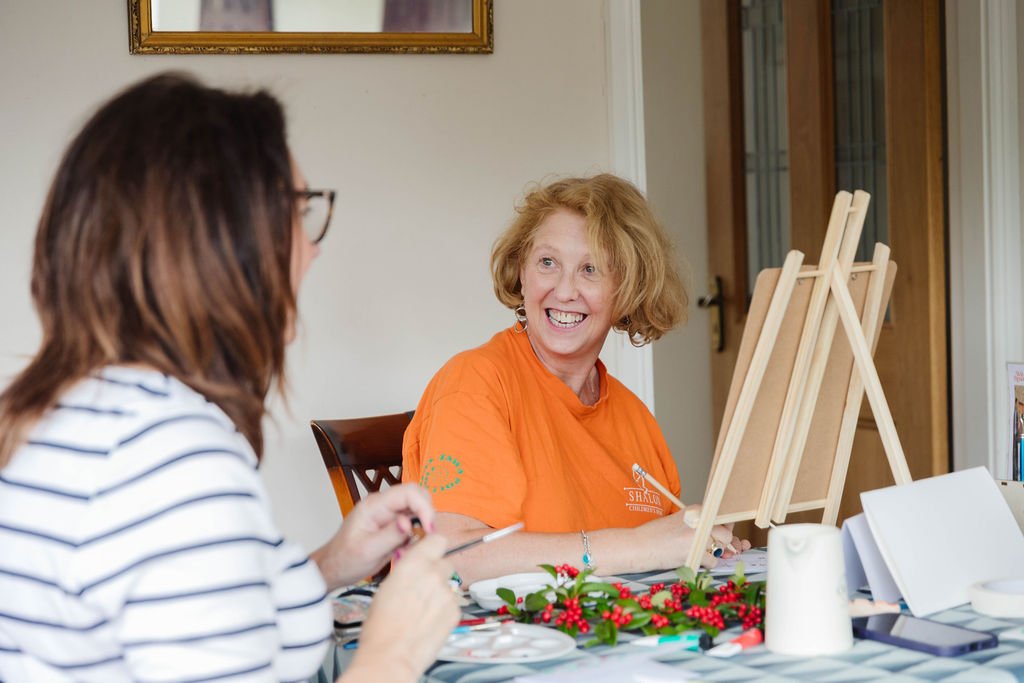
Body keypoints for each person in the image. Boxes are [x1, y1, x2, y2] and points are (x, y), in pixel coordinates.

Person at [0, 73, 459, 683]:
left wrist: (329, 564)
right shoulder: (172, 457)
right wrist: (395, 652)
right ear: (223, 241)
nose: (313, 248)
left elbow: (159, 611)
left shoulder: (46, 414)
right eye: (298, 211)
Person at [402, 174, 749, 584]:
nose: (565, 291)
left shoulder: (634, 417)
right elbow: (456, 559)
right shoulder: (474, 384)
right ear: (522, 272)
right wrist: (638, 545)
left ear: (629, 290)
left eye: (591, 270)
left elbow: (659, 559)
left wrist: (699, 542)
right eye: (548, 263)